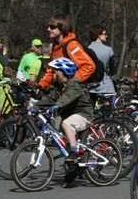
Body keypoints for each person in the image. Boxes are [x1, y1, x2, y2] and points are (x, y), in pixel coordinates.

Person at [32, 57, 94, 188]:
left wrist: (57, 106)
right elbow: (50, 98)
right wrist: (36, 107)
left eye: (55, 72)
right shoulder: (60, 88)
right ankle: (72, 170)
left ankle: (74, 151)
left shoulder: (73, 86)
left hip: (84, 115)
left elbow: (67, 97)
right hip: (71, 116)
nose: (52, 75)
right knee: (63, 142)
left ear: (62, 73)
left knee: (66, 125)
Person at [38, 14, 95, 89]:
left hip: (74, 92)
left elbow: (89, 66)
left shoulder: (71, 45)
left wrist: (72, 81)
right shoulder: (55, 47)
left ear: (61, 28)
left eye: (52, 27)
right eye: (48, 27)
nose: (48, 29)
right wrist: (40, 86)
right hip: (61, 92)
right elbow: (51, 70)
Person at [87, 24, 116, 97]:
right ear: (99, 35)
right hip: (106, 86)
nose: (106, 36)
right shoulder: (108, 50)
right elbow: (112, 70)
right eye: (105, 34)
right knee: (107, 108)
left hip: (91, 86)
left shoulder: (86, 50)